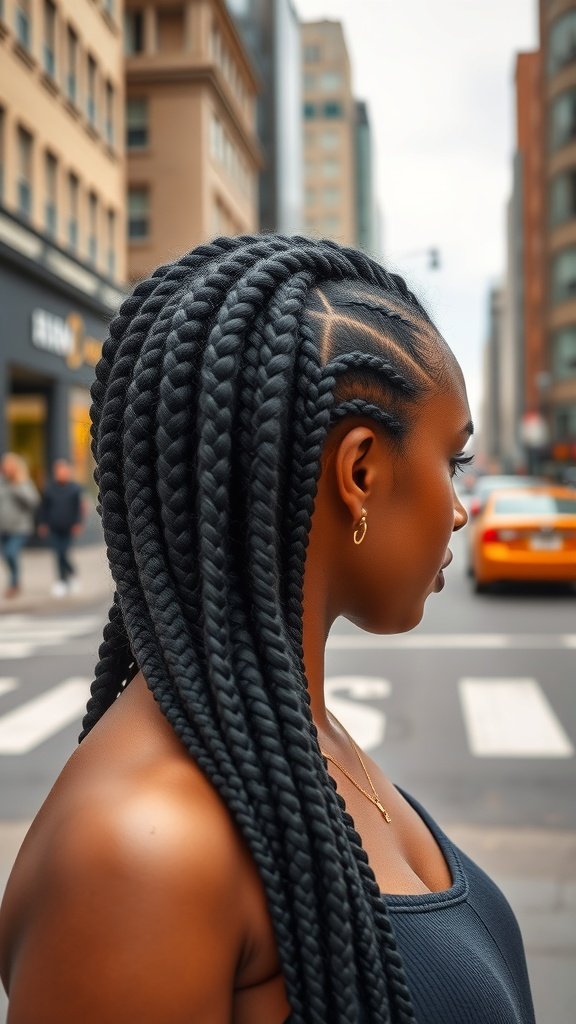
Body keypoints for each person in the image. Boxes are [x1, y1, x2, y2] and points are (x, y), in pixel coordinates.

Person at [0, 236, 536, 1023]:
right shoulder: (143, 853)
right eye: (453, 460)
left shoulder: (288, 732)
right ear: (359, 472)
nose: (460, 508)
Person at [37, 459, 85, 597]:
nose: (61, 473)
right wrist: (43, 523)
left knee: (63, 552)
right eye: (58, 471)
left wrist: (78, 523)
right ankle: (61, 582)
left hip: (69, 527)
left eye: (64, 470)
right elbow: (44, 508)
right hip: (54, 526)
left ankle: (72, 575)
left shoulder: (75, 489)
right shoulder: (49, 489)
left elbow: (79, 508)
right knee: (58, 553)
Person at [0, 452, 40, 599]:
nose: (5, 468)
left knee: (11, 552)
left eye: (8, 465)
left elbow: (34, 501)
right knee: (6, 556)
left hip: (20, 528)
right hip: (4, 527)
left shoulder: (23, 481)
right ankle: (14, 582)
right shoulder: (2, 482)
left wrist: (17, 489)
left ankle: (14, 583)